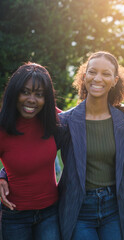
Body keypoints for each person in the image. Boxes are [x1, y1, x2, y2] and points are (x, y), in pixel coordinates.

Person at [56, 51, 124, 240]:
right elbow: (35, 150)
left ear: (115, 80)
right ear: (84, 77)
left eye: (106, 74)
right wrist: (5, 174)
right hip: (79, 208)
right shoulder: (65, 121)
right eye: (92, 72)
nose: (98, 78)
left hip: (113, 209)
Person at [0, 63, 60, 239]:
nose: (32, 99)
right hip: (15, 217)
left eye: (39, 94)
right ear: (14, 93)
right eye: (25, 92)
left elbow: (88, 116)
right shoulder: (2, 127)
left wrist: (121, 109)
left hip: (50, 213)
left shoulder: (53, 119)